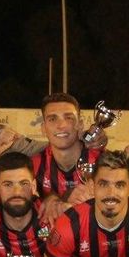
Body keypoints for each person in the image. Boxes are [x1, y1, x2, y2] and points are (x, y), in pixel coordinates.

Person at [30, 93, 101, 224]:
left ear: (80, 125)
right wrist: (50, 199)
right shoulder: (33, 166)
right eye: (52, 119)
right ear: (43, 129)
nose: (61, 125)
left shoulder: (103, 161)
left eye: (68, 118)